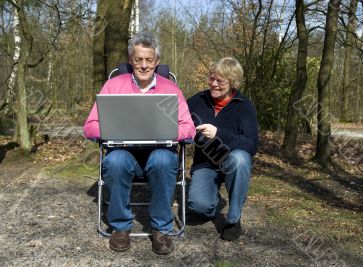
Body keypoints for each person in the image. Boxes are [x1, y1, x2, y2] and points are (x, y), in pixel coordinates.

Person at [83, 32, 195, 255]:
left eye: (149, 60)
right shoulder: (114, 86)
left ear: (157, 61)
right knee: (114, 161)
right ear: (130, 60)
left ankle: (161, 228)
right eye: (138, 59)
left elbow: (189, 128)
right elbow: (90, 126)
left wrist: (168, 131)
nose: (144, 65)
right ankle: (120, 227)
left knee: (164, 159)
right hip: (124, 152)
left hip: (160, 151)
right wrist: (112, 129)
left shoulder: (171, 90)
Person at [187, 57, 259, 241]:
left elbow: (251, 144)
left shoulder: (244, 106)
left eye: (220, 81)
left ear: (232, 82)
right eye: (211, 78)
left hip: (231, 160)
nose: (214, 84)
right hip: (205, 163)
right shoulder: (197, 100)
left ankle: (234, 219)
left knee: (241, 159)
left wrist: (219, 133)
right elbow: (178, 120)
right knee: (199, 207)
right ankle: (214, 199)